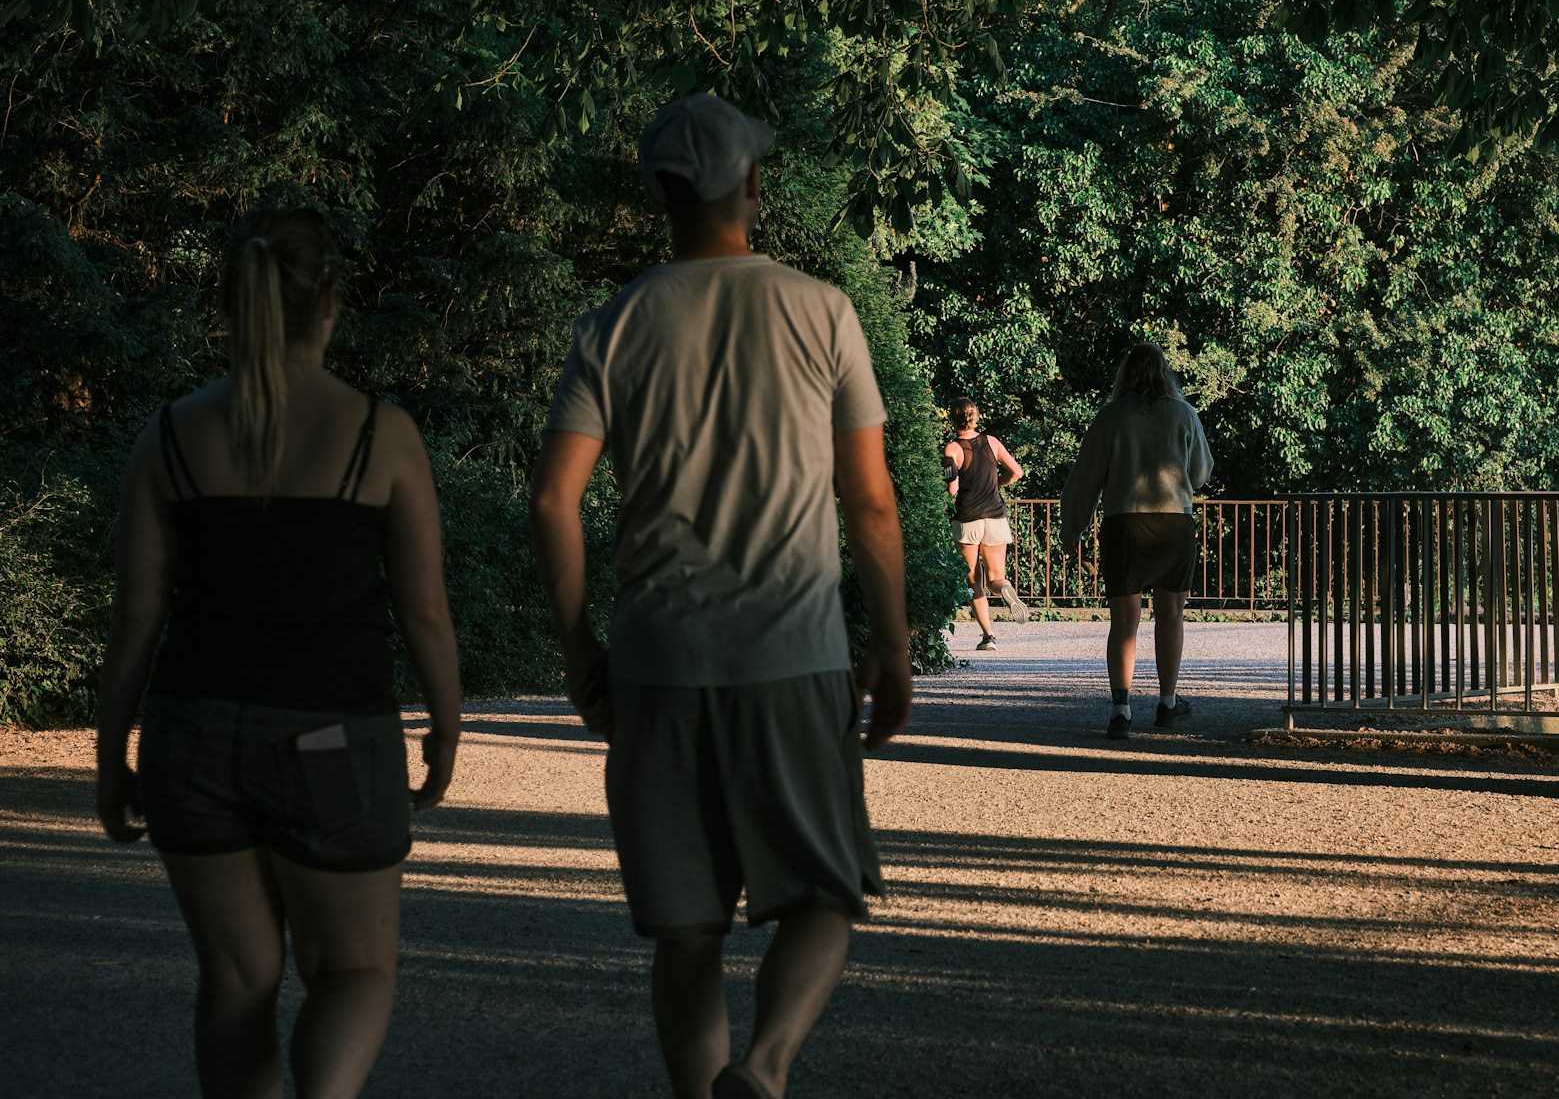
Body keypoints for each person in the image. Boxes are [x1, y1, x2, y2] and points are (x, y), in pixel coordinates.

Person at [528, 92, 912, 1099]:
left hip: (659, 659)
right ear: (750, 184)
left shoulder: (612, 325)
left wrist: (579, 651)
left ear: (661, 192)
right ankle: (767, 1066)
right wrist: (895, 643)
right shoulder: (820, 308)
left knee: (686, 927)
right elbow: (869, 500)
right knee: (825, 890)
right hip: (793, 652)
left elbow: (552, 497)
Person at [94, 207, 463, 1097]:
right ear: (330, 301)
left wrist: (113, 757)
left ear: (232, 306)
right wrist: (446, 727)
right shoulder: (382, 435)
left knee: (236, 981)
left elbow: (137, 617)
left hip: (192, 740)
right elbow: (424, 615)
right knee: (356, 972)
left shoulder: (170, 437)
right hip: (332, 742)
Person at [1059, 342, 1212, 741]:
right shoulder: (1184, 413)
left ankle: (1121, 710)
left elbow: (1086, 476)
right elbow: (1199, 474)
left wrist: (1073, 527)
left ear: (1124, 372)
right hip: (1173, 523)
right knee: (1171, 615)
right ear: (1165, 372)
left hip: (1123, 523)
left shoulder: (1110, 416)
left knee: (1125, 621)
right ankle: (1167, 703)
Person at [942, 398, 1028, 650]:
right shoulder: (992, 442)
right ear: (975, 417)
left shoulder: (952, 450)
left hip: (968, 520)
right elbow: (1017, 472)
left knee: (974, 582)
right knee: (995, 578)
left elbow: (952, 489)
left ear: (952, 419)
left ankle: (988, 636)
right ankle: (1006, 589)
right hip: (995, 518)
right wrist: (996, 483)